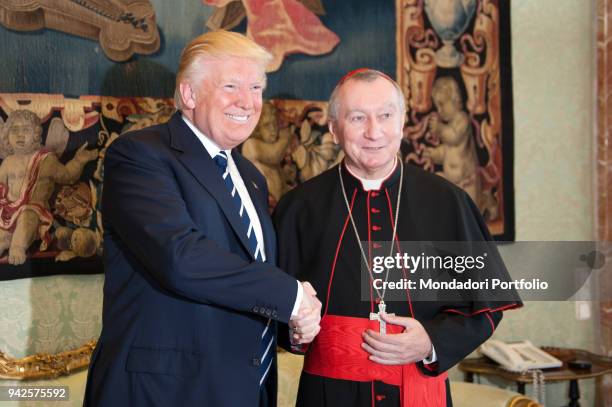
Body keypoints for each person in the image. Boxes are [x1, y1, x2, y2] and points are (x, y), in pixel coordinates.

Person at [83, 30, 321, 407]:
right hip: (164, 394)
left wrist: (290, 325)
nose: (248, 102)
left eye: (257, 87)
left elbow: (244, 278)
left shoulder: (252, 178)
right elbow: (181, 258)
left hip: (245, 391)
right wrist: (289, 296)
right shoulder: (140, 156)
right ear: (189, 94)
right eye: (231, 86)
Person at [273, 69, 521, 407]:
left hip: (419, 390)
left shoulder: (448, 202)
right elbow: (271, 304)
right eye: (357, 117)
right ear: (333, 128)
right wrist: (294, 332)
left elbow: (488, 306)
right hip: (329, 396)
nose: (374, 132)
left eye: (385, 116)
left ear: (402, 123)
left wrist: (431, 341)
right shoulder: (298, 207)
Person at [0, 109, 97, 265]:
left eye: (25, 130)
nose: (19, 135)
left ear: (36, 134)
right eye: (14, 130)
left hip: (34, 212)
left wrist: (79, 161)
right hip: (8, 212)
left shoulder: (46, 160)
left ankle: (17, 247)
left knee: (27, 217)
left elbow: (67, 176)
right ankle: (4, 242)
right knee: (2, 234)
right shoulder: (8, 162)